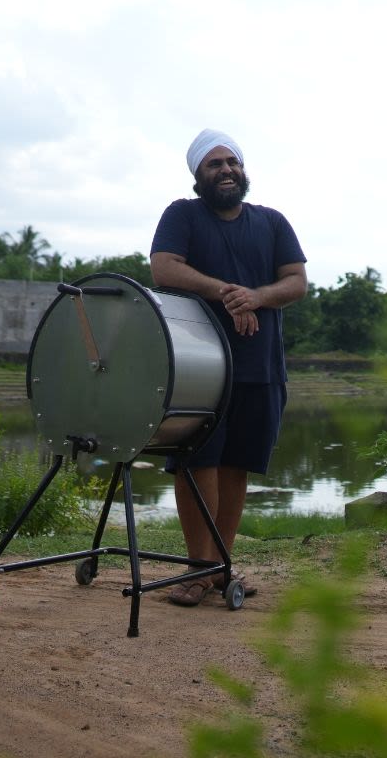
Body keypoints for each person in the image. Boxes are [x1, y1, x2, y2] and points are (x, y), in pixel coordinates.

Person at [150, 129, 307, 606]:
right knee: (197, 463)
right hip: (196, 366)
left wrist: (255, 296)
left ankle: (220, 565)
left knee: (237, 464)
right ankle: (198, 572)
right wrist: (226, 291)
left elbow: (296, 281)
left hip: (260, 367)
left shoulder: (272, 222)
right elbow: (163, 268)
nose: (226, 170)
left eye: (232, 162)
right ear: (198, 174)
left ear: (243, 170)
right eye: (214, 164)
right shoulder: (183, 215)